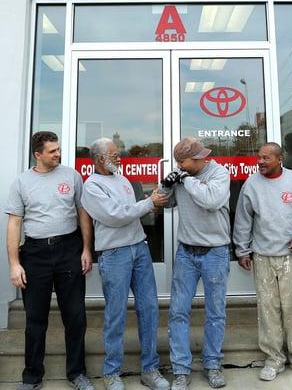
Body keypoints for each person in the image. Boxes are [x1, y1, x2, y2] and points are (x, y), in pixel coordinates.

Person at [5, 131, 94, 390]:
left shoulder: (72, 176)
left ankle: (77, 373)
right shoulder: (22, 182)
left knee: (75, 316)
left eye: (58, 149)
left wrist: (87, 249)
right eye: (52, 150)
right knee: (35, 319)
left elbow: (83, 213)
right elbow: (14, 223)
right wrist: (14, 263)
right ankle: (32, 377)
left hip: (69, 249)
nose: (58, 154)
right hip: (35, 254)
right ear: (38, 154)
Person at [80, 138, 169, 390]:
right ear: (99, 159)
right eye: (113, 155)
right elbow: (115, 216)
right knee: (115, 314)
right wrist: (149, 203)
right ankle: (111, 372)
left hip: (139, 249)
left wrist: (144, 206)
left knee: (149, 309)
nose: (119, 158)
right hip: (114, 254)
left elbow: (131, 211)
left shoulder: (124, 180)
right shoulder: (92, 186)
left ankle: (150, 369)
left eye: (118, 154)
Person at [233, 142, 292, 381]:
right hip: (262, 256)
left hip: (291, 257)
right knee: (268, 309)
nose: (260, 162)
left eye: (266, 158)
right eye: (259, 158)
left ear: (279, 159)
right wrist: (242, 250)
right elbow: (243, 220)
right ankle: (274, 359)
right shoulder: (251, 184)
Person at [161, 137, 230, 390]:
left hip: (215, 252)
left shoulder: (219, 173)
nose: (180, 165)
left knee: (215, 312)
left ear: (199, 158)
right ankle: (181, 369)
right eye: (179, 162)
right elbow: (164, 204)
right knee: (178, 311)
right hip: (186, 253)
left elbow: (211, 200)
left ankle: (212, 364)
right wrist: (166, 186)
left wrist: (186, 180)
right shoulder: (182, 175)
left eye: (183, 161)